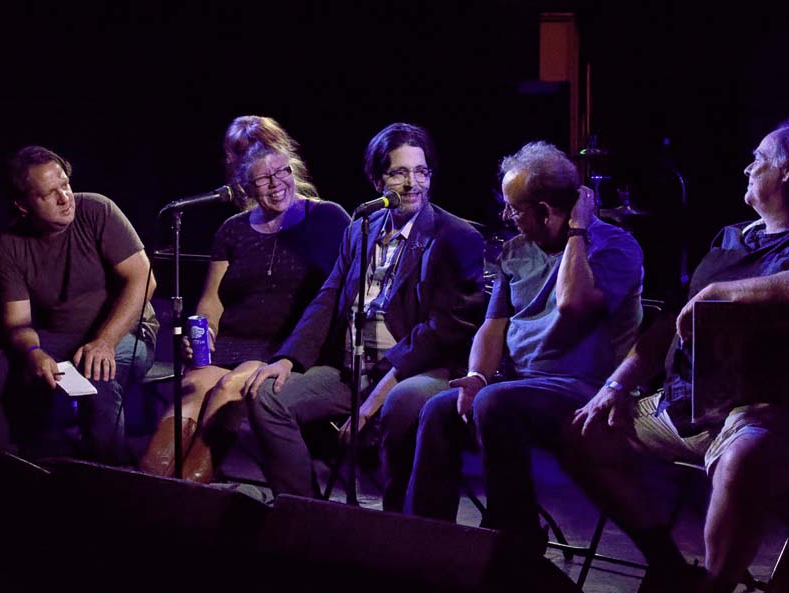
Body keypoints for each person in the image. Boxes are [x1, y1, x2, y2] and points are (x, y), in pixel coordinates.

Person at [564, 120, 789, 593]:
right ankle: (668, 563)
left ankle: (715, 585)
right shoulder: (733, 237)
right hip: (691, 408)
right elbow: (667, 323)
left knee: (742, 456)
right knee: (582, 435)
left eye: (760, 159)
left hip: (786, 416)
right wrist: (616, 386)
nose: (748, 167)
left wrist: (718, 293)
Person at [404, 141, 644, 549]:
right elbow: (493, 326)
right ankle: (427, 543)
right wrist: (478, 375)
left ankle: (513, 540)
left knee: (496, 403)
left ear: (547, 211)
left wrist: (577, 233)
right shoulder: (516, 252)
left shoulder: (616, 247)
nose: (506, 216)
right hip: (516, 386)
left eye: (514, 208)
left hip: (583, 390)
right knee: (441, 407)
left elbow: (573, 305)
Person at [242, 122, 486, 511]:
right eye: (399, 173)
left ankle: (400, 528)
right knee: (266, 396)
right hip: (352, 371)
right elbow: (328, 297)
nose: (413, 184)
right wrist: (287, 359)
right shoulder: (361, 229)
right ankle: (304, 513)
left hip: (416, 371)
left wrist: (371, 403)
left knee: (404, 402)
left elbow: (441, 332)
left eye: (421, 172)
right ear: (377, 181)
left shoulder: (456, 237)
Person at [139, 116, 349, 481]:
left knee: (228, 388)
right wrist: (200, 340)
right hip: (232, 345)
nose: (277, 184)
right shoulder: (232, 229)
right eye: (264, 179)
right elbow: (211, 302)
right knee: (192, 388)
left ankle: (189, 498)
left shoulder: (327, 217)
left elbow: (341, 294)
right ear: (246, 185)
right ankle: (149, 487)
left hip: (283, 349)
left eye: (282, 172)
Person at [0, 146, 158, 465]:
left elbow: (144, 280)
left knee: (98, 372)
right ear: (23, 205)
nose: (64, 197)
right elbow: (18, 324)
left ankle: (110, 475)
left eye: (65, 185)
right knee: (3, 370)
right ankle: (32, 468)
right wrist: (34, 352)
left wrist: (105, 342)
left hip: (128, 331)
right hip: (61, 338)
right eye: (50, 193)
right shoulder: (10, 245)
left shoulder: (97, 210)